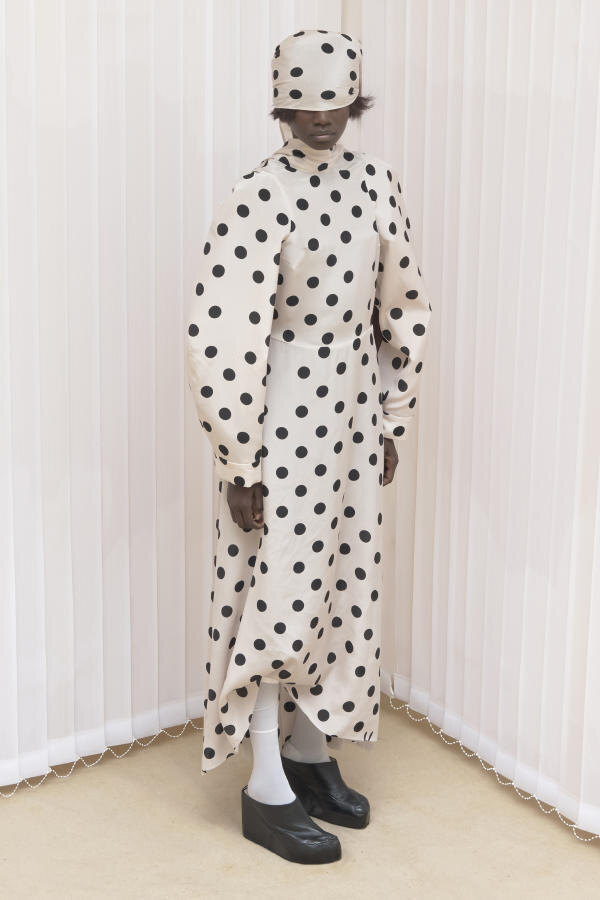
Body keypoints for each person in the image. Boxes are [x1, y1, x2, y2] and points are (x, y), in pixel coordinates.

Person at [186, 28, 432, 864]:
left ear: (355, 102)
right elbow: (223, 329)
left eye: (337, 105)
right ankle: (265, 785)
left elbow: (402, 300)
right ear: (280, 104)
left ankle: (309, 749)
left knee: (345, 583)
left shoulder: (376, 182)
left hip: (354, 411)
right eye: (305, 105)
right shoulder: (258, 194)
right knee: (277, 591)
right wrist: (240, 458)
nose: (322, 120)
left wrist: (392, 415)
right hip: (282, 412)